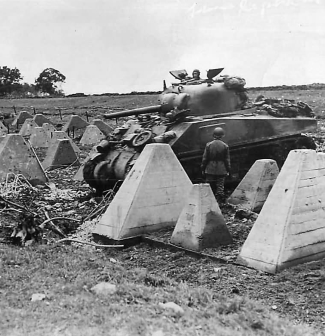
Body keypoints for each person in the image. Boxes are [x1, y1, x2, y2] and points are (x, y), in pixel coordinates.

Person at [201, 127, 231, 204]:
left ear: (213, 135)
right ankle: (219, 204)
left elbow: (205, 159)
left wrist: (203, 168)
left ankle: (207, 202)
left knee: (209, 186)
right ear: (222, 135)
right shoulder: (225, 146)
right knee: (220, 187)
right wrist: (228, 170)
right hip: (221, 169)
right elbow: (227, 160)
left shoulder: (209, 145)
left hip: (210, 168)